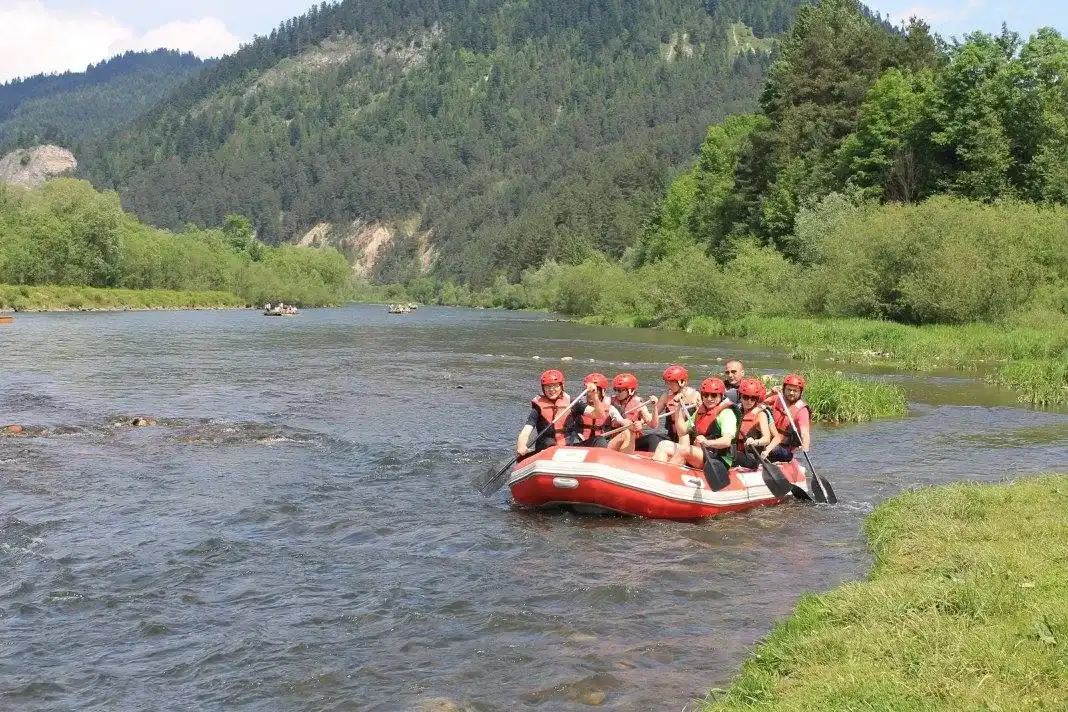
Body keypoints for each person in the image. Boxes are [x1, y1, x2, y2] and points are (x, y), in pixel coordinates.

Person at [653, 377, 737, 487]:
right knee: (663, 445)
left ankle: (665, 482)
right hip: (701, 453)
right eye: (706, 395)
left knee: (684, 449)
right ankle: (656, 476)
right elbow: (682, 431)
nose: (709, 398)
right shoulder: (700, 411)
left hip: (718, 458)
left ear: (721, 396)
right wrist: (679, 407)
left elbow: (726, 442)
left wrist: (707, 442)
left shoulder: (727, 414)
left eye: (714, 395)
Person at [638, 364, 702, 452]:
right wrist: (641, 421)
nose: (669, 386)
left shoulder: (694, 396)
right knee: (652, 439)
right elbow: (652, 421)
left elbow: (702, 419)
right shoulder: (666, 396)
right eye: (667, 382)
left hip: (689, 439)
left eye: (671, 382)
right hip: (671, 437)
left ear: (682, 382)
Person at [516, 369, 574, 457]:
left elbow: (597, 414)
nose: (551, 389)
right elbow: (526, 430)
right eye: (547, 386)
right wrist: (521, 445)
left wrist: (594, 395)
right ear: (543, 388)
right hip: (545, 448)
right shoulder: (538, 408)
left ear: (561, 386)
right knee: (549, 442)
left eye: (555, 386)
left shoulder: (572, 403)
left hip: (566, 448)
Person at [762, 374, 812, 462]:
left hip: (784, 449)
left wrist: (805, 446)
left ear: (800, 392)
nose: (791, 393)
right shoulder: (778, 398)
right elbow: (757, 401)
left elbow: (805, 433)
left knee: (773, 450)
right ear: (784, 389)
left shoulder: (802, 410)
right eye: (789, 390)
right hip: (768, 440)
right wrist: (770, 393)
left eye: (795, 391)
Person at [732, 378, 776, 470]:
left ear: (757, 399)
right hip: (737, 451)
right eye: (746, 397)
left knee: (730, 455)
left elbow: (767, 439)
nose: (749, 401)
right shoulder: (735, 411)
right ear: (740, 397)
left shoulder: (761, 415)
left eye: (753, 398)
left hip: (752, 456)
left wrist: (755, 442)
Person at [606, 372, 652, 454]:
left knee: (629, 432)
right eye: (615, 390)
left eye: (620, 391)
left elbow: (652, 423)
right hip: (613, 439)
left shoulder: (639, 403)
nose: (617, 393)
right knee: (627, 432)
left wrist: (641, 423)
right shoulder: (609, 401)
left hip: (632, 440)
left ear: (630, 391)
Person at [566, 373, 615, 448]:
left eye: (595, 392)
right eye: (588, 392)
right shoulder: (579, 404)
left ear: (603, 391)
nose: (590, 395)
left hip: (600, 442)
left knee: (601, 441)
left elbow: (622, 421)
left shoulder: (611, 407)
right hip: (581, 441)